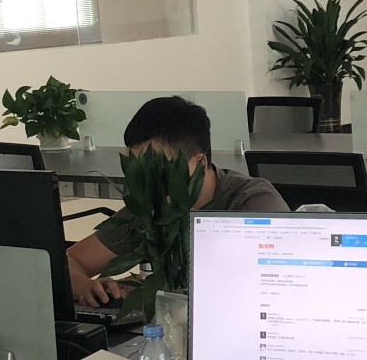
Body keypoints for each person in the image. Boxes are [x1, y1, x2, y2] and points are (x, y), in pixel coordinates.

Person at [66, 96, 287, 306]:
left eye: (157, 168)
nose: (146, 182)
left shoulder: (254, 203)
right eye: (137, 169)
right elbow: (72, 261)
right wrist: (86, 287)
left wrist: (149, 291)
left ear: (199, 164)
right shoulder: (153, 203)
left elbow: (275, 289)